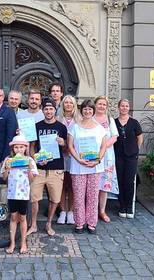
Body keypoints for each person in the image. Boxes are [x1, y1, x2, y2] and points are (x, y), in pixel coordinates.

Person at [27, 98, 67, 236]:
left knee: (55, 198)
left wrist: (63, 143)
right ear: (42, 110)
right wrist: (35, 159)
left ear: (55, 110)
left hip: (56, 168)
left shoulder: (62, 127)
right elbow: (31, 147)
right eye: (46, 109)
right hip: (40, 169)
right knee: (34, 197)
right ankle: (33, 224)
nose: (48, 111)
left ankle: (49, 223)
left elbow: (67, 150)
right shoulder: (36, 126)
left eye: (51, 109)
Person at [67, 99, 107, 234]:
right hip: (78, 167)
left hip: (95, 168)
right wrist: (78, 159)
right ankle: (79, 223)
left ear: (93, 111)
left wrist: (98, 160)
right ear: (81, 110)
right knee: (78, 196)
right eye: (85, 109)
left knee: (93, 196)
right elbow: (70, 146)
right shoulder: (75, 127)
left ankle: (91, 223)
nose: (87, 111)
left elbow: (103, 147)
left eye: (90, 109)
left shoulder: (100, 129)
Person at [1, 135, 38, 254]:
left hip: (23, 194)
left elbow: (32, 180)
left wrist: (29, 169)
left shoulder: (29, 160)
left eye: (21, 147)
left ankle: (23, 242)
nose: (19, 150)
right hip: (12, 194)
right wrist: (7, 169)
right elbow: (4, 178)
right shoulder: (8, 159)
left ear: (25, 148)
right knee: (13, 217)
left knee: (22, 218)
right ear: (12, 149)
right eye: (16, 147)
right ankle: (12, 243)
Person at [114, 99, 143, 219]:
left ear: (129, 108)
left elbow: (140, 137)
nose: (124, 108)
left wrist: (136, 150)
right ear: (118, 107)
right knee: (120, 181)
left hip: (131, 156)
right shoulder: (114, 122)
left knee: (129, 181)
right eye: (122, 106)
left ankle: (129, 206)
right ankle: (122, 206)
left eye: (126, 106)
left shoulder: (134, 122)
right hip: (118, 156)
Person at [94, 96, 119, 223]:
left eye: (104, 104)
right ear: (95, 105)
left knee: (103, 186)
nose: (102, 106)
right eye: (99, 104)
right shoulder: (90, 118)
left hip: (107, 157)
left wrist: (103, 147)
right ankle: (91, 211)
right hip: (92, 156)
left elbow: (114, 137)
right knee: (92, 185)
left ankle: (102, 211)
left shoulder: (110, 120)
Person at [56, 95, 80, 225]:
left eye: (71, 102)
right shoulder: (57, 119)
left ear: (74, 105)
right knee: (60, 186)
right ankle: (62, 211)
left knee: (72, 186)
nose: (69, 105)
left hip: (74, 158)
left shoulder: (80, 120)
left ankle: (71, 212)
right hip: (60, 157)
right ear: (63, 104)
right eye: (66, 102)